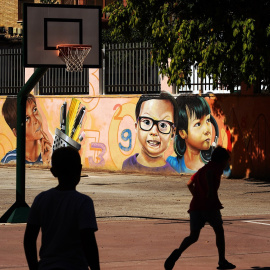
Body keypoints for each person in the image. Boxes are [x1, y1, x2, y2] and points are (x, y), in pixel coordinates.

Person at [24, 146, 100, 270]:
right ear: (79, 170)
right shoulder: (83, 202)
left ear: (53, 172)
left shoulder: (41, 199)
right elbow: (88, 241)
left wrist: (33, 267)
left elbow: (29, 239)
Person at [164, 146, 236, 270]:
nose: (227, 163)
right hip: (209, 205)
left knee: (193, 236)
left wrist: (197, 196)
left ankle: (178, 252)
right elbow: (209, 175)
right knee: (219, 231)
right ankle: (222, 261)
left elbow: (189, 184)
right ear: (221, 160)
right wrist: (210, 191)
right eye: (227, 160)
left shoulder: (202, 169)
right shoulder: (216, 168)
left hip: (196, 206)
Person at [122, 91, 178, 173]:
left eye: (163, 125)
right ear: (136, 126)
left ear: (173, 133)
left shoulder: (172, 173)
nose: (154, 132)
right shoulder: (126, 165)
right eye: (147, 122)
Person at [167, 96, 215, 173]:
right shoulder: (171, 164)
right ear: (182, 133)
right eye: (198, 124)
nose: (207, 130)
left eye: (208, 120)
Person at [1, 94, 52, 166]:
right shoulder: (10, 160)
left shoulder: (50, 155)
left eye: (34, 110)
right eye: (26, 118)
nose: (35, 120)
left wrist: (47, 162)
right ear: (16, 132)